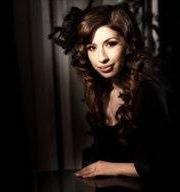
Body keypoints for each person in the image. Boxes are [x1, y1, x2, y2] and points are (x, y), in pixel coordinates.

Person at [49, 3, 173, 180]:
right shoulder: (100, 91)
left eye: (111, 44)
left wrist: (104, 167)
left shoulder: (147, 91)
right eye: (92, 47)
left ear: (128, 45)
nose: (102, 58)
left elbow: (162, 164)